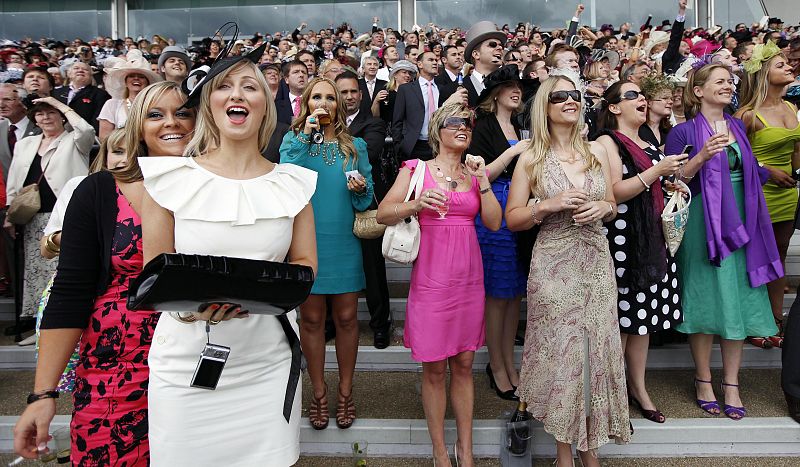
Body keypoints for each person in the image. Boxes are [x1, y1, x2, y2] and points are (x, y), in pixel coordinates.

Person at [142, 49, 316, 466]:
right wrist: (193, 310)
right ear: (208, 103)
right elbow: (155, 276)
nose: (236, 94)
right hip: (185, 363)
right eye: (224, 86)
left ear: (265, 104)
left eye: (249, 86)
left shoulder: (295, 184)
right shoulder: (168, 180)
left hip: (266, 363)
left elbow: (306, 267)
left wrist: (257, 293)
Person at [12, 80, 194, 465]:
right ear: (138, 125)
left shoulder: (223, 189)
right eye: (156, 114)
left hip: (197, 354)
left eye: (184, 112)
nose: (171, 123)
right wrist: (43, 394)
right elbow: (70, 290)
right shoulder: (98, 191)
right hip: (117, 359)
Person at [506, 75, 630, 466]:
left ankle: (589, 448)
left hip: (595, 260)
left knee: (596, 349)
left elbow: (612, 200)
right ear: (545, 106)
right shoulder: (530, 157)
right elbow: (513, 219)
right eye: (559, 96)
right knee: (563, 353)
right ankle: (564, 451)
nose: (570, 101)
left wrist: (604, 209)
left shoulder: (598, 150)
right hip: (553, 265)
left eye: (575, 95)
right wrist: (547, 204)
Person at [377, 102, 501, 466]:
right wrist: (415, 204)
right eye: (454, 121)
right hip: (432, 279)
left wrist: (484, 182)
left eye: (468, 122)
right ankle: (439, 451)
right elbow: (383, 212)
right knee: (433, 367)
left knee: (464, 365)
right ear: (437, 130)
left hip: (468, 278)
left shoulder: (474, 171)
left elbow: (493, 223)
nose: (463, 127)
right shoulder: (416, 169)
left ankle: (466, 449)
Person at [665, 63, 782, 420]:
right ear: (698, 91)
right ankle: (703, 379)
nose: (728, 86)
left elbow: (749, 169)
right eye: (720, 82)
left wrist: (768, 173)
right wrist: (701, 156)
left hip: (744, 220)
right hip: (703, 221)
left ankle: (731, 383)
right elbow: (673, 180)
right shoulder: (682, 132)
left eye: (730, 82)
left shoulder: (737, 125)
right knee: (704, 299)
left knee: (739, 299)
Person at [280, 77, 373, 431]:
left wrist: (361, 188)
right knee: (312, 319)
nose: (323, 103)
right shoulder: (295, 141)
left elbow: (366, 201)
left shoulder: (355, 146)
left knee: (348, 318)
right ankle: (318, 393)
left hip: (343, 240)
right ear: (306, 103)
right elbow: (287, 170)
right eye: (316, 97)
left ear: (339, 105)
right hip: (306, 239)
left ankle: (345, 392)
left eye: (329, 98)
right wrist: (306, 132)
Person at [595, 80, 688, 424]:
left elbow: (651, 182)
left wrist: (669, 182)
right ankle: (611, 395)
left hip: (653, 237)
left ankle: (638, 387)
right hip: (624, 242)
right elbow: (613, 193)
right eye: (632, 95)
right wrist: (655, 173)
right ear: (615, 107)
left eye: (643, 95)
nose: (642, 100)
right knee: (621, 323)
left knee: (643, 322)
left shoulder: (647, 140)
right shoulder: (607, 142)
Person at [466, 65, 529, 401]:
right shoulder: (484, 126)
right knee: (496, 294)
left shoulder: (519, 125)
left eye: (518, 86)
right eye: (508, 87)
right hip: (493, 209)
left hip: (518, 208)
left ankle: (508, 362)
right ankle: (497, 365)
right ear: (495, 94)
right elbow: (480, 173)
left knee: (513, 293)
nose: (515, 91)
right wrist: (513, 151)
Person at [5, 95, 92, 324]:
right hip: (32, 217)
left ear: (61, 116)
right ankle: (35, 322)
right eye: (41, 114)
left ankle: (61, 318)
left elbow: (86, 128)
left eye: (51, 112)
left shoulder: (74, 139)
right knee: (34, 272)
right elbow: (14, 179)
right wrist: (10, 215)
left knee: (62, 268)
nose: (46, 117)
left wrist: (59, 104)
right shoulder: (26, 144)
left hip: (66, 216)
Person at [735, 42, 800, 349]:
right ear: (763, 74)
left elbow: (796, 149)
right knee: (759, 257)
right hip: (757, 193)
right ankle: (754, 320)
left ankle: (775, 319)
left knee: (781, 254)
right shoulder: (747, 115)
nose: (789, 67)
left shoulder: (790, 107)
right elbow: (735, 156)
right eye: (780, 65)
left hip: (788, 193)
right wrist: (768, 170)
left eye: (788, 63)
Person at [335, 71, 392, 348]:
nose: (348, 97)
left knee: (372, 267)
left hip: (365, 204)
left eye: (353, 92)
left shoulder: (374, 124)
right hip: (332, 202)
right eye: (343, 92)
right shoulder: (324, 125)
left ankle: (381, 324)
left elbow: (368, 153)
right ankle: (328, 324)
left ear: (361, 94)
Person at [392, 51, 460, 161]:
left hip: (440, 145)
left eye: (436, 60)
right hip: (414, 146)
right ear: (419, 64)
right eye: (430, 60)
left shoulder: (443, 89)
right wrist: (399, 145)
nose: (435, 63)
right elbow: (397, 120)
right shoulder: (406, 89)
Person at [97, 49, 163, 140]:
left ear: (148, 82)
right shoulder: (112, 104)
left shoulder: (157, 104)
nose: (136, 79)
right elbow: (104, 138)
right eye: (132, 76)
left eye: (141, 77)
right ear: (125, 82)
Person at [52, 61, 110, 134]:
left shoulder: (100, 94)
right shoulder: (55, 92)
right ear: (69, 74)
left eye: (85, 69)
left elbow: (97, 121)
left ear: (91, 75)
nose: (80, 70)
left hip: (84, 136)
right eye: (76, 68)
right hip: (56, 134)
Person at [463, 21, 507, 106]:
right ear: (476, 54)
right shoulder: (453, 89)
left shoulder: (509, 87)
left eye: (501, 45)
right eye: (492, 45)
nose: (500, 48)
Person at [373, 59, 416, 125]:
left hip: (405, 129)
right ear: (395, 75)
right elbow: (375, 116)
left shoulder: (413, 92)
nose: (408, 75)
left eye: (409, 73)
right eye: (404, 72)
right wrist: (376, 101)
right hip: (387, 130)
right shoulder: (385, 90)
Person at [639, 72, 676, 148]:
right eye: (665, 98)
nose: (671, 102)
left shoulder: (669, 131)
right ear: (649, 102)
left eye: (671, 99)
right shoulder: (637, 129)